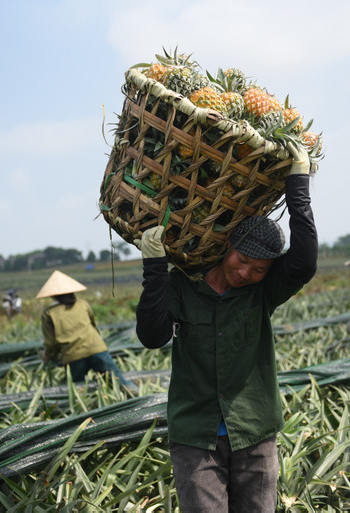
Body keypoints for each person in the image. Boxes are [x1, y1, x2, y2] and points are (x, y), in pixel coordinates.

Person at [134, 145, 317, 512]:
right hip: (195, 436)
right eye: (243, 260)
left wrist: (298, 184)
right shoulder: (184, 284)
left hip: (254, 431)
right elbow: (152, 337)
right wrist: (155, 269)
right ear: (228, 247)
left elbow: (303, 262)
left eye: (260, 269)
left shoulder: (263, 292)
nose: (246, 273)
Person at [37, 270, 136, 392]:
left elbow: (51, 343)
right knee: (120, 382)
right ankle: (137, 398)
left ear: (53, 295)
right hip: (97, 348)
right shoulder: (83, 304)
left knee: (78, 390)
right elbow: (93, 325)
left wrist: (50, 357)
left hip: (73, 355)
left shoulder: (49, 313)